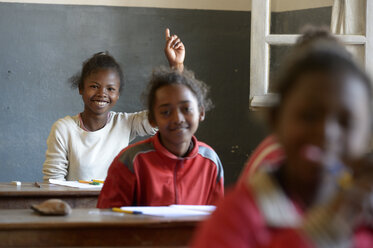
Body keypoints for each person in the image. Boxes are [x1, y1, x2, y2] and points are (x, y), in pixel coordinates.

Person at [191, 28, 373, 247]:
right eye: (309, 116)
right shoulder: (236, 218)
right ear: (276, 119)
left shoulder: (364, 218)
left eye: (346, 122)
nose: (327, 132)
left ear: (366, 135)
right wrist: (326, 228)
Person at [43, 28, 185, 181]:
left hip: (116, 205)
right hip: (78, 205)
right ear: (81, 88)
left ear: (118, 95)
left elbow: (162, 114)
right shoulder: (63, 129)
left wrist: (176, 66)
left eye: (110, 89)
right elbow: (53, 184)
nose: (102, 94)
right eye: (94, 86)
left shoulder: (125, 123)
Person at [96, 67, 224, 208]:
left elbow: (217, 218)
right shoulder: (132, 160)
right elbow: (108, 217)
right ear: (152, 119)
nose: (177, 118)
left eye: (186, 109)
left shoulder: (210, 160)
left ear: (201, 112)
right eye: (165, 112)